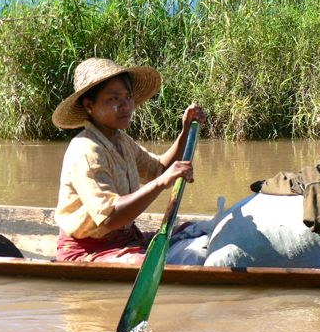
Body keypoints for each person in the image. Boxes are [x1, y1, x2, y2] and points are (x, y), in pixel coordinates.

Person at [51, 57, 205, 264]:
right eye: (113, 99)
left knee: (194, 229)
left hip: (125, 239)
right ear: (89, 106)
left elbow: (159, 169)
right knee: (150, 263)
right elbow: (111, 217)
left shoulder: (120, 140)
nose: (125, 105)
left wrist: (185, 131)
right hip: (87, 251)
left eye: (128, 97)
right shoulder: (86, 151)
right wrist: (160, 183)